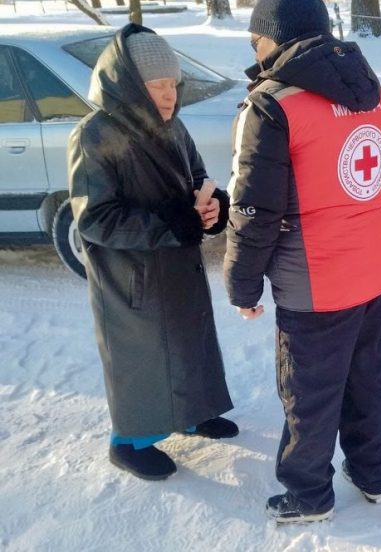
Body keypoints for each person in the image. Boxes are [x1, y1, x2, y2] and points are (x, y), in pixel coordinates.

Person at [223, 0, 381, 524]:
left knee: (308, 391)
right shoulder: (380, 95)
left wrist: (242, 285)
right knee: (366, 377)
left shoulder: (272, 106)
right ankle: (373, 476)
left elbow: (253, 211)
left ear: (272, 40)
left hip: (314, 283)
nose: (254, 52)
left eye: (256, 40)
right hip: (373, 270)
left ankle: (308, 494)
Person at [67, 24, 238, 481]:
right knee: (141, 357)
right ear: (129, 83)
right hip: (131, 275)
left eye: (173, 85)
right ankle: (129, 441)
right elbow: (95, 219)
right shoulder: (93, 135)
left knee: (189, 343)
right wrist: (172, 224)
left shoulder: (173, 126)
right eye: (157, 85)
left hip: (177, 261)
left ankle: (193, 413)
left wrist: (212, 207)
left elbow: (198, 176)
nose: (169, 95)